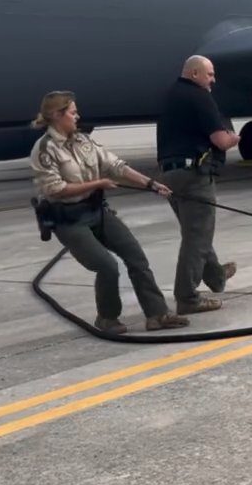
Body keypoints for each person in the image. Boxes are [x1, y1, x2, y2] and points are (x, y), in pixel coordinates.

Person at [29, 91, 190, 334]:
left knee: (136, 257)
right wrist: (97, 184)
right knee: (106, 266)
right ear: (56, 115)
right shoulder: (44, 150)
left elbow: (116, 166)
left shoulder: (83, 141)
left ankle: (158, 315)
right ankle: (107, 318)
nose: (77, 116)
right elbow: (57, 189)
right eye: (73, 112)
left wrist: (150, 184)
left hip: (97, 211)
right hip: (69, 220)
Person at [156, 55, 239, 315]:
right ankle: (187, 297)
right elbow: (220, 141)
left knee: (195, 231)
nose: (213, 80)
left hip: (170, 174)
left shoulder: (172, 94)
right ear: (194, 74)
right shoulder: (199, 97)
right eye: (210, 74)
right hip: (193, 175)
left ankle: (215, 276)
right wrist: (235, 138)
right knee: (197, 236)